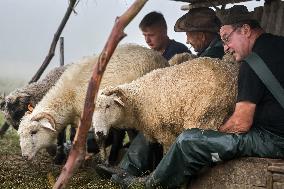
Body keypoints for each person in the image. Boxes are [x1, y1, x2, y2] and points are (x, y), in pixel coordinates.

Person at [112, 5, 284, 188]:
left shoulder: (251, 64)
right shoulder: (280, 44)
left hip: (273, 140)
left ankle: (148, 185)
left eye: (227, 39)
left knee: (188, 141)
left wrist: (211, 136)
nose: (225, 48)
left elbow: (241, 123)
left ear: (246, 30)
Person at [100, 7, 226, 187]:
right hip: (192, 108)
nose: (188, 40)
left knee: (155, 123)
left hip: (204, 114)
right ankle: (128, 170)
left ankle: (133, 173)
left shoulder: (213, 55)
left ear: (203, 35)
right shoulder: (205, 53)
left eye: (190, 34)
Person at [95, 11, 191, 180]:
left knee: (147, 126)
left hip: (168, 108)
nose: (147, 40)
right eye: (144, 35)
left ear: (163, 31)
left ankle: (129, 170)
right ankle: (116, 161)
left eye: (151, 35)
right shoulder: (145, 58)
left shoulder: (179, 52)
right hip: (146, 106)